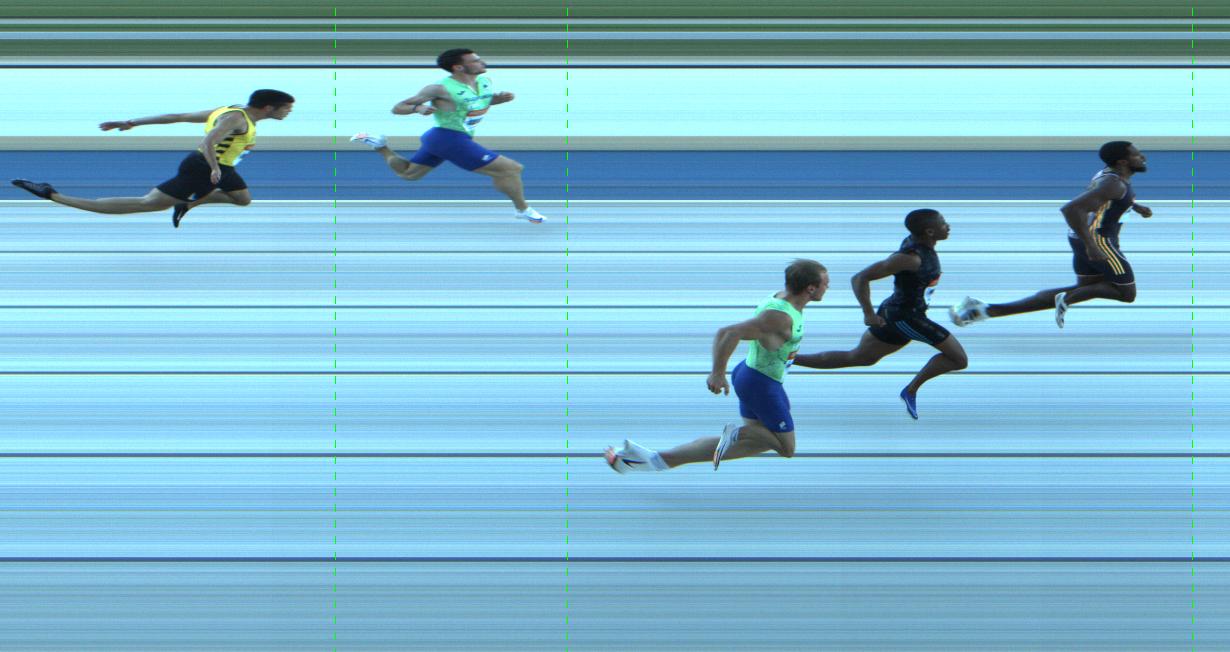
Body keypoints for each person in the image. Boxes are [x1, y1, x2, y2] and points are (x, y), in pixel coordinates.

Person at [604, 259, 829, 473]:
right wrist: (717, 373)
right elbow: (729, 332)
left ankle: (656, 460)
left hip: (755, 377)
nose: (827, 288)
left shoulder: (782, 299)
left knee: (758, 442)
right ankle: (736, 433)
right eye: (825, 284)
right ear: (810, 288)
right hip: (761, 384)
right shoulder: (780, 317)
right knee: (787, 448)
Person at [11, 89, 295, 228]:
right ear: (268, 107)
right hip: (204, 168)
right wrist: (213, 169)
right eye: (286, 108)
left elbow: (177, 116)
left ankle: (188, 203)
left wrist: (131, 122)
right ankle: (52, 194)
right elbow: (208, 142)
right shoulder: (235, 119)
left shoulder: (231, 111)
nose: (288, 112)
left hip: (222, 167)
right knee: (147, 203)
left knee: (242, 199)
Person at [949, 141, 1152, 328]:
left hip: (1080, 239)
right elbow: (1071, 209)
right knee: (1126, 292)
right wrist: (1092, 246)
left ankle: (985, 310)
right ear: (1122, 162)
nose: (1143, 157)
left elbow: (1102, 200)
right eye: (1137, 155)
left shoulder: (1108, 177)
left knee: (1086, 288)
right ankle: (1067, 299)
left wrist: (1133, 205)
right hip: (1099, 241)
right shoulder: (1113, 184)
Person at [791, 209, 966, 420]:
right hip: (906, 318)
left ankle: (788, 358)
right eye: (943, 223)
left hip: (897, 313)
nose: (948, 226)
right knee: (959, 359)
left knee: (860, 357)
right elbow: (860, 278)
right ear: (929, 231)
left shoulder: (918, 244)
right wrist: (868, 314)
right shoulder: (911, 259)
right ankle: (910, 390)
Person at [350, 48, 546, 223]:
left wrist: (498, 99)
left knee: (409, 173)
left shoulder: (485, 82)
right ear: (458, 67)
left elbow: (476, 102)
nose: (482, 62)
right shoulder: (439, 88)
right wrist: (418, 108)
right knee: (510, 169)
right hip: (448, 138)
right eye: (475, 60)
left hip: (448, 138)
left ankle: (380, 145)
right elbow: (398, 107)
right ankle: (522, 210)